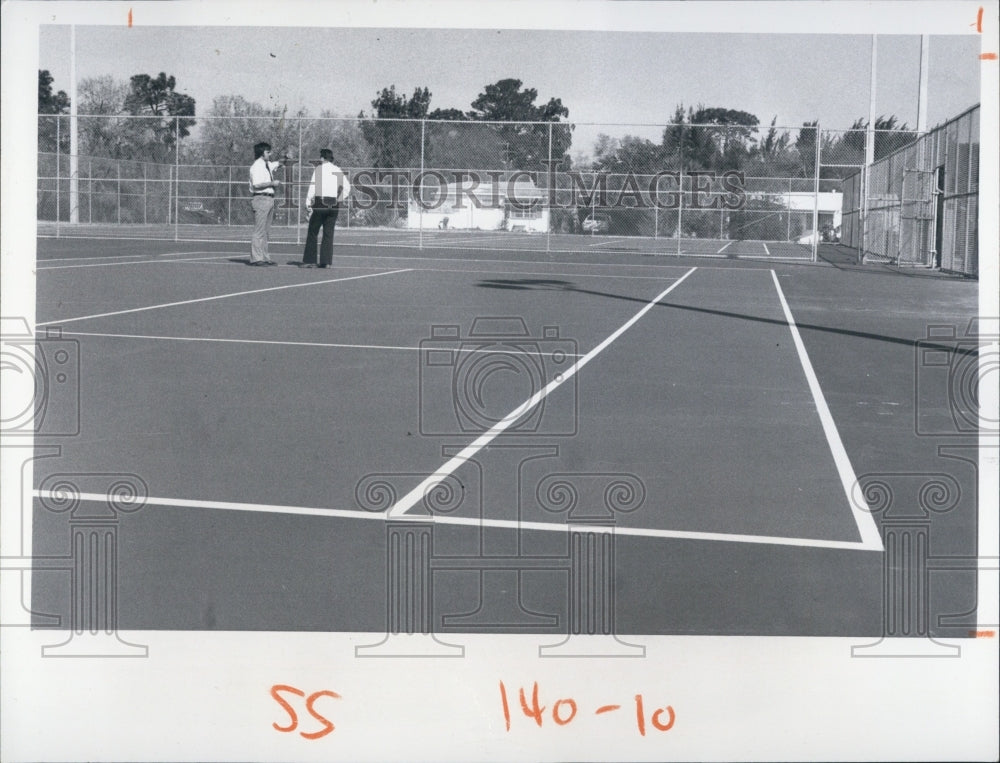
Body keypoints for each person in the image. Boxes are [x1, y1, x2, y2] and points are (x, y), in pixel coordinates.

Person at [300, 149, 351, 268]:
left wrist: (307, 202)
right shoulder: (337, 170)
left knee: (313, 231)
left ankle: (309, 260)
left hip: (320, 203)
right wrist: (339, 199)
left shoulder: (319, 169)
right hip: (333, 204)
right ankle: (326, 261)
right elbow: (347, 187)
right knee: (328, 233)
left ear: (322, 158)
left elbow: (313, 186)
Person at [248, 141, 283, 266]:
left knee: (266, 231)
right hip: (261, 198)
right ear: (262, 153)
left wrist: (286, 158)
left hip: (269, 199)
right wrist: (271, 184)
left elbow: (277, 164)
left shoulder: (266, 164)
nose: (270, 154)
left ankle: (264, 257)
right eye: (268, 152)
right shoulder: (256, 166)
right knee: (259, 230)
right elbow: (257, 185)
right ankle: (256, 258)